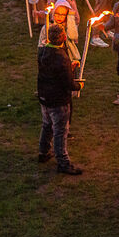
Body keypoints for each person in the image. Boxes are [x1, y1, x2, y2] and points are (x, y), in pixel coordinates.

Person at [38, 24, 84, 175]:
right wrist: (78, 86)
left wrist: (69, 68)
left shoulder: (43, 51)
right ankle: (63, 162)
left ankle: (43, 152)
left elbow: (54, 72)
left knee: (47, 125)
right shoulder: (61, 58)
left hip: (45, 96)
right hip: (58, 100)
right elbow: (68, 83)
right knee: (60, 131)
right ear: (63, 37)